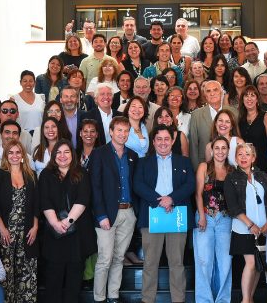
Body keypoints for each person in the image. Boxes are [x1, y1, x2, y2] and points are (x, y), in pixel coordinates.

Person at [133, 125, 196, 303]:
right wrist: (160, 201)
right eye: (159, 139)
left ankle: (178, 299)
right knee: (150, 263)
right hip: (152, 215)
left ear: (173, 140)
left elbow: (191, 184)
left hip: (176, 215)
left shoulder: (184, 162)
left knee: (176, 262)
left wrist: (172, 199)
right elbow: (138, 185)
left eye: (166, 139)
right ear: (153, 142)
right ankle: (147, 299)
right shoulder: (143, 162)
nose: (163, 143)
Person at [39, 140, 97, 303]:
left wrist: (67, 222)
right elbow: (44, 201)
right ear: (53, 155)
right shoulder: (46, 175)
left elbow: (83, 199)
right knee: (53, 280)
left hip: (77, 235)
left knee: (74, 282)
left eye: (66, 152)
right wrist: (55, 223)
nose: (62, 156)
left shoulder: (82, 173)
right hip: (54, 234)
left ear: (72, 154)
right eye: (58, 152)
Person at [89, 116, 139, 303]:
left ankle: (113, 296)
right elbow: (95, 187)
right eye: (119, 130)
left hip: (128, 212)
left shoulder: (133, 155)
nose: (122, 134)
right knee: (105, 258)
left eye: (126, 131)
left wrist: (135, 213)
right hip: (107, 214)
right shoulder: (99, 154)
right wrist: (101, 215)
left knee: (119, 257)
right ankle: (99, 298)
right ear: (111, 131)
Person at [0, 141, 40, 303]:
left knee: (27, 270)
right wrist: (2, 228)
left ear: (23, 155)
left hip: (27, 230)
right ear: (6, 155)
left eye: (18, 152)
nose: (15, 156)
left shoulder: (31, 175)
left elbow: (37, 203)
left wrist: (35, 226)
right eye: (11, 152)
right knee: (6, 270)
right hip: (6, 230)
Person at [224, 143, 267, 303]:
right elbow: (233, 206)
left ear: (253, 157)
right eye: (240, 154)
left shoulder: (262, 176)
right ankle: (245, 300)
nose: (244, 157)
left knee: (259, 264)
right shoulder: (231, 178)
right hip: (243, 229)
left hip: (263, 229)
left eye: (247, 154)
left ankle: (250, 298)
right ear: (235, 158)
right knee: (251, 262)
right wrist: (250, 225)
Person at [193, 137, 234, 303]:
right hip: (205, 217)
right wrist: (202, 216)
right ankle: (204, 300)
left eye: (224, 148)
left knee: (225, 263)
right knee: (204, 261)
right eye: (217, 148)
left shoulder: (232, 170)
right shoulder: (204, 167)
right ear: (212, 150)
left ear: (228, 151)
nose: (220, 151)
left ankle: (222, 300)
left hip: (225, 219)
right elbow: (198, 194)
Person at [188, 80, 238, 169]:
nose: (212, 93)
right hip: (205, 165)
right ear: (205, 95)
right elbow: (193, 145)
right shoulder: (196, 115)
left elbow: (237, 136)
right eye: (208, 91)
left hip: (232, 165)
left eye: (215, 90)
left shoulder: (234, 112)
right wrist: (196, 168)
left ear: (221, 93)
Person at [238, 85, 267, 171]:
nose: (249, 98)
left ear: (257, 99)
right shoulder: (240, 120)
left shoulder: (266, 117)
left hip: (263, 165)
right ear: (242, 100)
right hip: (244, 165)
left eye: (252, 95)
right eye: (246, 95)